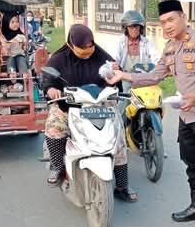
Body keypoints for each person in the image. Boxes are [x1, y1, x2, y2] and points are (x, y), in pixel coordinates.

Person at [107, 0, 195, 227]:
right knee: (190, 161)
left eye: (171, 20)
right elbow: (155, 75)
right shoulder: (170, 47)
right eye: (163, 22)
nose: (167, 26)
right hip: (185, 113)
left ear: (183, 17)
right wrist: (125, 75)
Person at [41, 24, 137, 202]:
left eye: (90, 46)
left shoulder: (103, 56)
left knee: (117, 140)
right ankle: (57, 165)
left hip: (100, 104)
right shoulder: (59, 58)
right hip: (68, 104)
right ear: (71, 44)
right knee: (54, 128)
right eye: (82, 47)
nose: (88, 50)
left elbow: (115, 78)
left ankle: (122, 186)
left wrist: (115, 72)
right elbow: (47, 78)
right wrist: (51, 88)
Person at [2, 14, 29, 78]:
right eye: (12, 22)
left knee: (21, 59)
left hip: (19, 54)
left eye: (17, 22)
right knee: (10, 59)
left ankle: (24, 73)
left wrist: (24, 45)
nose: (15, 24)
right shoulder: (3, 36)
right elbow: (5, 48)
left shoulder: (21, 35)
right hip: (9, 55)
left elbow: (25, 48)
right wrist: (10, 43)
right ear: (6, 23)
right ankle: (12, 73)